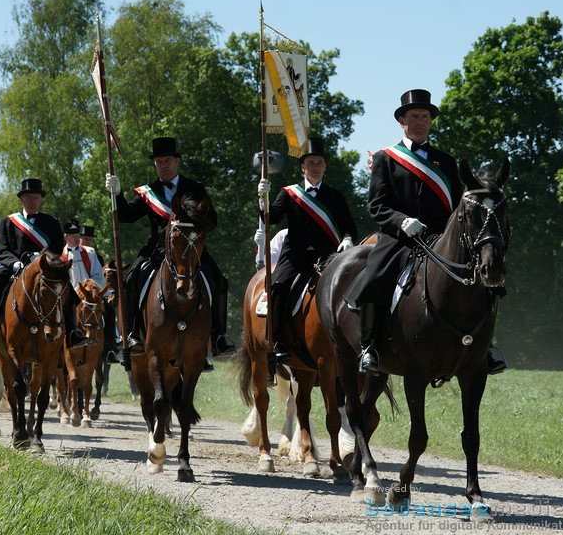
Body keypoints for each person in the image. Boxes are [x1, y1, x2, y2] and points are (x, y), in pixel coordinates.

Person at [347, 89, 506, 374]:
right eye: (413, 117)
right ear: (402, 121)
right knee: (374, 278)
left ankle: (486, 347)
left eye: (424, 117)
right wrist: (402, 221)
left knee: (486, 279)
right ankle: (369, 347)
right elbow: (376, 206)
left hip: (440, 237)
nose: (419, 121)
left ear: (430, 121)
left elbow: (460, 206)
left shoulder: (445, 161)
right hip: (399, 238)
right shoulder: (386, 158)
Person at [105, 137, 235, 364]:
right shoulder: (149, 192)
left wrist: (196, 222)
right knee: (130, 280)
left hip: (191, 250)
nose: (163, 165)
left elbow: (213, 220)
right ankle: (133, 334)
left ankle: (217, 336)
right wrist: (116, 193)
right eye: (159, 162)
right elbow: (126, 216)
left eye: (167, 161)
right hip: (157, 252)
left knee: (218, 278)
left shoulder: (195, 188)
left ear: (177, 161)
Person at [257, 136, 357, 363]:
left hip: (329, 256)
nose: (316, 167)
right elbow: (272, 218)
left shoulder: (335, 195)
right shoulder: (289, 193)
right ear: (303, 167)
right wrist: (262, 200)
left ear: (325, 166)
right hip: (295, 256)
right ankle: (277, 341)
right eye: (311, 163)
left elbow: (349, 226)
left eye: (320, 162)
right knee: (278, 287)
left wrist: (348, 239)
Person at [0, 178, 89, 348]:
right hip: (17, 267)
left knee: (66, 287)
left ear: (41, 199)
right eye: (28, 197)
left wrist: (43, 256)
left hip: (44, 266)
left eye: (36, 197)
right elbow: (2, 250)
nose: (32, 201)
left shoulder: (51, 222)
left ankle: (72, 332)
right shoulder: (9, 222)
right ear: (22, 199)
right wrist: (14, 263)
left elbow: (59, 247)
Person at [80, 223, 121, 362]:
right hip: (78, 293)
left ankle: (109, 347)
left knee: (109, 310)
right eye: (85, 238)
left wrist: (95, 289)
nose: (87, 241)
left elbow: (100, 278)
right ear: (79, 239)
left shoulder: (97, 256)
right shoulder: (72, 253)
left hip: (94, 294)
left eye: (90, 239)